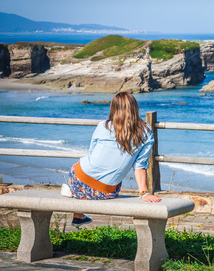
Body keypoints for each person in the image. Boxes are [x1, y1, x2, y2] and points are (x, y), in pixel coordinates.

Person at [61, 92, 161, 227]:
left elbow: (92, 154)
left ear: (113, 108)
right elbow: (140, 165)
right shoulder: (146, 131)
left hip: (78, 175)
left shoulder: (103, 126)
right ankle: (76, 206)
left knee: (85, 172)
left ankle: (77, 208)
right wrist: (144, 193)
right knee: (111, 183)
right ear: (135, 107)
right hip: (104, 192)